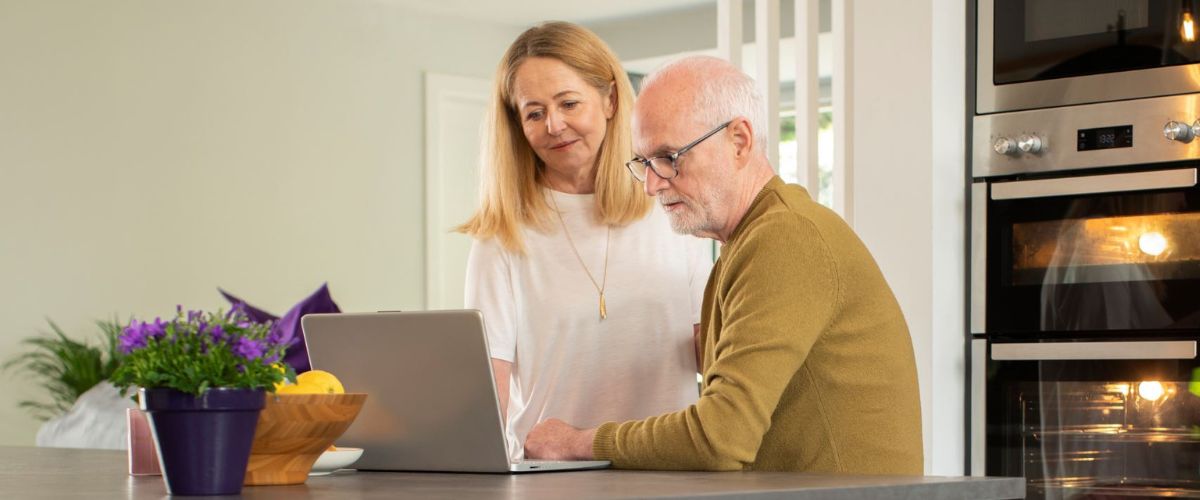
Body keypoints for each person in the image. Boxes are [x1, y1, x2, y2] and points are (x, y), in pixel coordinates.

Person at [523, 56, 924, 474]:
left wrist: (578, 442)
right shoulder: (748, 243)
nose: (652, 185)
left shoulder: (786, 237)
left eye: (669, 156)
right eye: (644, 162)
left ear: (739, 141)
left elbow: (720, 438)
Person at [457, 22, 712, 463]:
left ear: (611, 99)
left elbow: (711, 352)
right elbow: (488, 394)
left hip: (671, 471)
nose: (554, 125)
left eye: (568, 103)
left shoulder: (669, 206)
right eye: (533, 113)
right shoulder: (502, 237)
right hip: (554, 478)